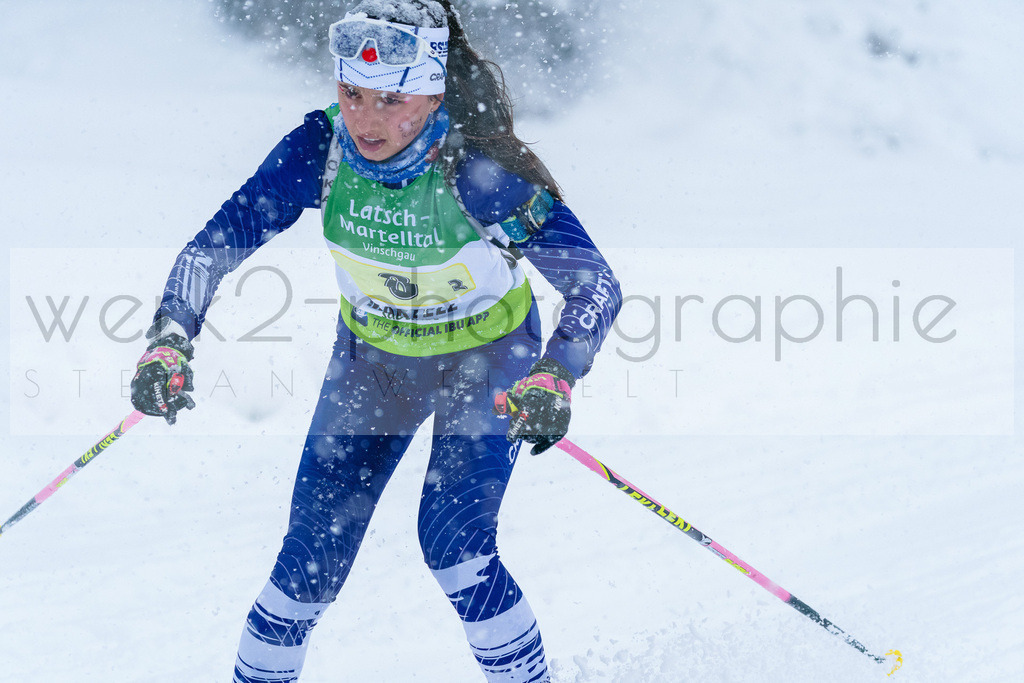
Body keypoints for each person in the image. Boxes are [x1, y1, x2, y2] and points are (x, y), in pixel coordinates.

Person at [129, 1, 621, 681]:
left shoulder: (478, 171)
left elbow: (596, 283)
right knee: (304, 569)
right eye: (352, 94)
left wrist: (555, 373)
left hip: (488, 363)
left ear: (432, 91)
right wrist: (169, 336)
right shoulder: (321, 150)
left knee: (455, 545)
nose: (365, 119)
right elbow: (212, 247)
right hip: (375, 365)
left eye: (391, 99)